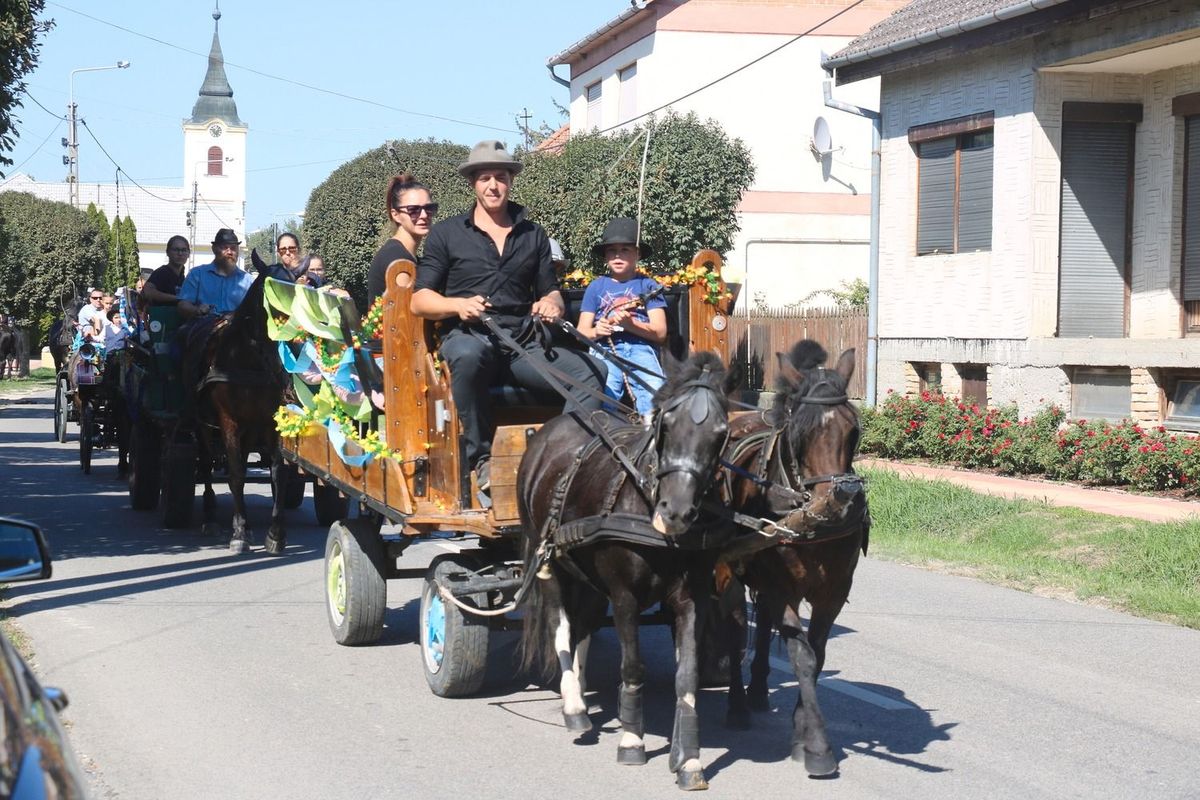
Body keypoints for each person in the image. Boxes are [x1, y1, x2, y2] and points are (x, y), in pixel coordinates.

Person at [412, 140, 606, 492]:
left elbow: (551, 291)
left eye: (500, 177)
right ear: (473, 183)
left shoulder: (534, 234)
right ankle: (482, 460)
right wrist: (458, 305)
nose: (493, 185)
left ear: (510, 181)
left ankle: (566, 458)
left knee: (593, 370)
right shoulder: (447, 234)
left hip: (522, 344)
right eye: (484, 177)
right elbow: (420, 300)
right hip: (469, 336)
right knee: (470, 356)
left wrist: (551, 304)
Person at [578, 218, 667, 422]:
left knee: (657, 394)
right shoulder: (595, 287)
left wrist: (630, 325)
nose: (618, 255)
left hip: (641, 349)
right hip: (604, 350)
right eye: (612, 250)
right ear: (605, 256)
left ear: (637, 254)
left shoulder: (648, 285)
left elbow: (661, 332)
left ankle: (653, 438)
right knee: (604, 396)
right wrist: (596, 331)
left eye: (625, 250)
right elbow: (582, 331)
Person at [367, 173, 434, 307]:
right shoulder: (398, 260)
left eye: (429, 208)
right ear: (396, 215)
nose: (424, 215)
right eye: (413, 210)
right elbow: (405, 317)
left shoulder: (407, 256)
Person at [178, 228, 255, 319]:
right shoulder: (197, 274)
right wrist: (197, 310)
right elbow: (183, 305)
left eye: (233, 248)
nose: (230, 252)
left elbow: (254, 310)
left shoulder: (248, 281)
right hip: (204, 329)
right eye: (224, 247)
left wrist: (238, 315)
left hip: (237, 330)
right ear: (214, 249)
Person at [141, 235, 191, 306]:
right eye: (176, 250)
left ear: (188, 253)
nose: (180, 253)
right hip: (161, 315)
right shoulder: (162, 272)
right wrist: (177, 298)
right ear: (167, 252)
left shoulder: (182, 276)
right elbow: (147, 292)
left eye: (183, 250)